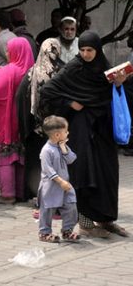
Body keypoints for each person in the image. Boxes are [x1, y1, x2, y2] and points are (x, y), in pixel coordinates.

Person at [40, 31, 129, 238]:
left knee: (107, 173)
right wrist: (70, 103)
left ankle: (107, 220)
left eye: (90, 50)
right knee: (84, 173)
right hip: (81, 129)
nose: (86, 54)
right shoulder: (74, 68)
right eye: (83, 50)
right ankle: (86, 223)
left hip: (102, 130)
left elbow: (114, 96)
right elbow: (48, 91)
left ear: (98, 50)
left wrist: (118, 84)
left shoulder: (105, 69)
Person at [0, 37, 35, 204]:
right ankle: (20, 193)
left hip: (6, 122)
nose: (6, 52)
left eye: (8, 49)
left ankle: (7, 195)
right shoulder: (33, 70)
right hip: (24, 123)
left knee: (5, 158)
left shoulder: (9, 70)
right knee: (19, 158)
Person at [16, 38, 64, 200]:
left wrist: (26, 126)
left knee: (37, 163)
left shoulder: (31, 73)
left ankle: (35, 194)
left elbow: (21, 99)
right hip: (57, 129)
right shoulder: (63, 72)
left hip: (36, 129)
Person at [37, 116, 80, 243]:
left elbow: (71, 159)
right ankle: (44, 232)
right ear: (57, 134)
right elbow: (48, 170)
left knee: (71, 206)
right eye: (65, 131)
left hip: (65, 185)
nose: (68, 133)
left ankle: (67, 230)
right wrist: (60, 181)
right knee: (47, 209)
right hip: (51, 186)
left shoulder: (62, 146)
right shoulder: (46, 150)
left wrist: (64, 148)